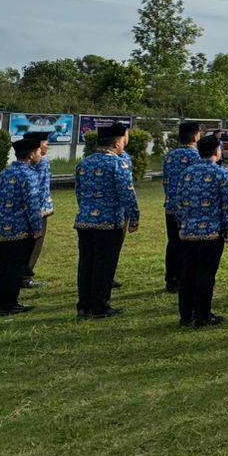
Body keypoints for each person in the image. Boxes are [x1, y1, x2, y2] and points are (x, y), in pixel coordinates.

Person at [73, 120, 139, 320]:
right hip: (109, 222)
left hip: (84, 220)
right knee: (104, 265)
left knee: (86, 263)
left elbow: (79, 192)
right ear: (116, 142)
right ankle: (99, 307)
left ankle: (83, 306)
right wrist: (134, 215)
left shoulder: (84, 162)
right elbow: (126, 192)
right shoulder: (117, 163)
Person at [175, 134, 228, 328]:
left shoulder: (187, 173)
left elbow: (179, 203)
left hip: (188, 231)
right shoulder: (222, 174)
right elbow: (227, 205)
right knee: (206, 274)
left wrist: (181, 224)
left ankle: (186, 315)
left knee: (187, 274)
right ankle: (202, 315)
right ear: (217, 151)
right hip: (211, 232)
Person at [0, 137, 47, 316]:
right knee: (15, 267)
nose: (40, 154)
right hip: (21, 228)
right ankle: (9, 303)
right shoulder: (30, 175)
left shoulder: (4, 173)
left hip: (2, 226)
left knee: (0, 265)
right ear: (31, 155)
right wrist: (37, 228)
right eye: (38, 152)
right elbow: (33, 205)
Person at [162, 121, 202, 293]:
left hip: (171, 206)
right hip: (189, 209)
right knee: (188, 246)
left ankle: (171, 279)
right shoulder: (197, 157)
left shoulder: (170, 156)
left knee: (173, 243)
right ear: (195, 137)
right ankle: (184, 279)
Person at [21, 131, 53, 289]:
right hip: (39, 210)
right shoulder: (41, 162)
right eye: (45, 143)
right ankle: (25, 276)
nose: (47, 145)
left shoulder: (28, 161)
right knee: (34, 244)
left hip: (30, 208)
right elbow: (39, 187)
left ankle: (22, 274)